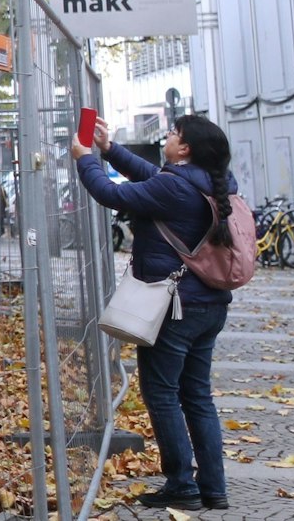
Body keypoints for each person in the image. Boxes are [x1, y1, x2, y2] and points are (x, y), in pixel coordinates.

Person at [71, 114, 238, 512]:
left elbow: (110, 194)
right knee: (197, 395)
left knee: (162, 393)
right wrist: (109, 149)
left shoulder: (173, 187)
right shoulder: (214, 183)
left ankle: (181, 485)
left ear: (185, 149)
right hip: (210, 305)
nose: (167, 137)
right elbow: (152, 176)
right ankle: (213, 487)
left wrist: (85, 158)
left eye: (173, 134)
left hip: (175, 307)